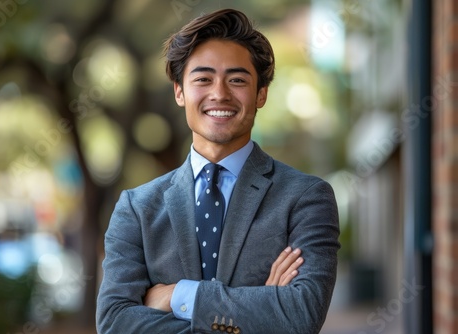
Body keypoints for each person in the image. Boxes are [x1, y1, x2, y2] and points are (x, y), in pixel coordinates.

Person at [96, 8, 340, 334]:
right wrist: (260, 310)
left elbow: (301, 315)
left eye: (237, 80)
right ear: (179, 92)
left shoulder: (305, 199)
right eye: (203, 79)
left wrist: (177, 296)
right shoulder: (137, 209)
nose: (220, 93)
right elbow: (114, 322)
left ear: (261, 94)